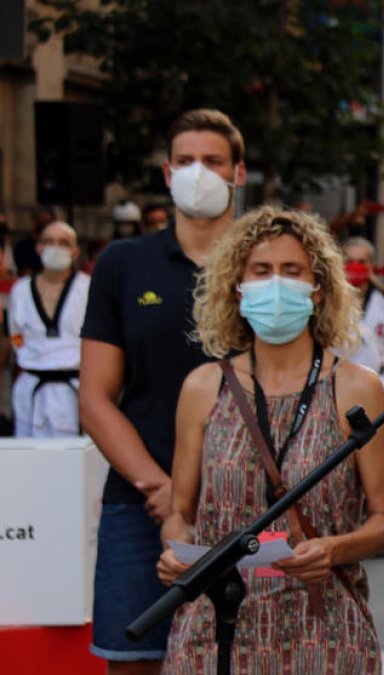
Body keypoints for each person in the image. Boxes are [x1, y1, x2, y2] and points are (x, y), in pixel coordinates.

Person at [154, 207, 384, 673]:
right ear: (238, 286)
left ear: (318, 287)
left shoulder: (357, 386)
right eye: (261, 271)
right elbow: (180, 513)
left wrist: (334, 549)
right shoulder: (203, 387)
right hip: (214, 628)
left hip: (321, 627)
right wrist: (174, 552)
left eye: (292, 271)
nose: (277, 284)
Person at [81, 109, 246, 672]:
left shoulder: (267, 265)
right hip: (139, 501)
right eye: (185, 161)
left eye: (213, 161)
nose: (197, 172)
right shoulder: (123, 264)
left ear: (239, 173)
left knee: (250, 654)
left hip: (247, 502)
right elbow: (96, 398)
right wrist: (161, 487)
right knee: (136, 659)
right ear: (166, 172)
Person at [8, 221, 89, 437]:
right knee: (30, 460)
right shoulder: (20, 290)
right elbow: (16, 336)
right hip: (32, 385)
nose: (56, 247)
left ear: (75, 251)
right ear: (38, 247)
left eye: (64, 243)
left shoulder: (88, 288)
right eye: (49, 241)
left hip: (75, 386)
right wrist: (30, 354)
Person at [343, 237, 384, 399]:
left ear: (371, 265)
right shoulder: (329, 301)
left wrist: (383, 377)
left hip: (376, 383)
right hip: (340, 384)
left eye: (362, 261)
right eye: (350, 261)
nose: (355, 266)